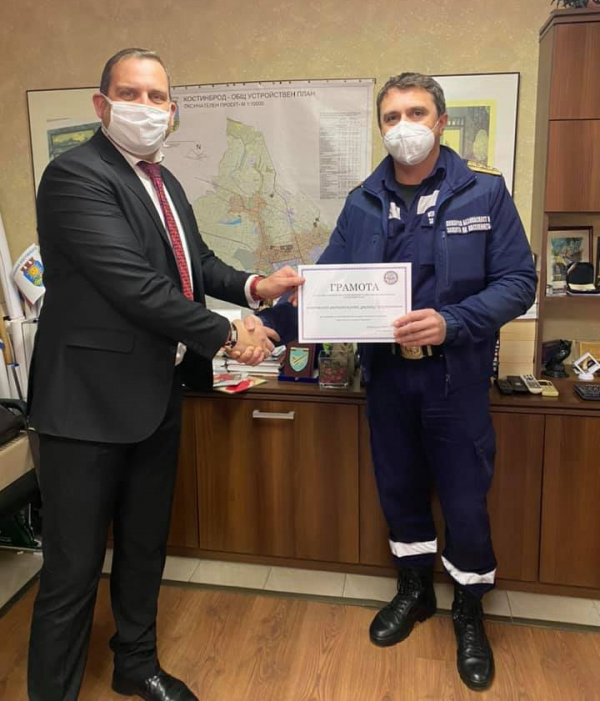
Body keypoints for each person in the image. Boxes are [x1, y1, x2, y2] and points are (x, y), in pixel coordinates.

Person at [27, 47, 303, 701]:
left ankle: (135, 664)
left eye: (158, 97)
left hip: (155, 396)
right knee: (72, 571)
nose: (146, 108)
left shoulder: (162, 180)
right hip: (85, 409)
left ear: (172, 111)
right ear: (101, 104)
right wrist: (228, 334)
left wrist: (257, 286)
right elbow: (133, 284)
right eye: (131, 94)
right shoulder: (75, 176)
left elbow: (193, 263)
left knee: (145, 547)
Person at [259, 73, 537, 691]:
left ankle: (469, 610)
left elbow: (519, 282)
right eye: (391, 116)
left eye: (416, 112)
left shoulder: (484, 192)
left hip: (454, 379)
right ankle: (415, 591)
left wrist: (452, 321)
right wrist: (268, 325)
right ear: (380, 126)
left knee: (464, 500)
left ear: (441, 121)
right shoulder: (363, 201)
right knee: (399, 489)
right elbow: (326, 287)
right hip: (386, 378)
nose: (403, 126)